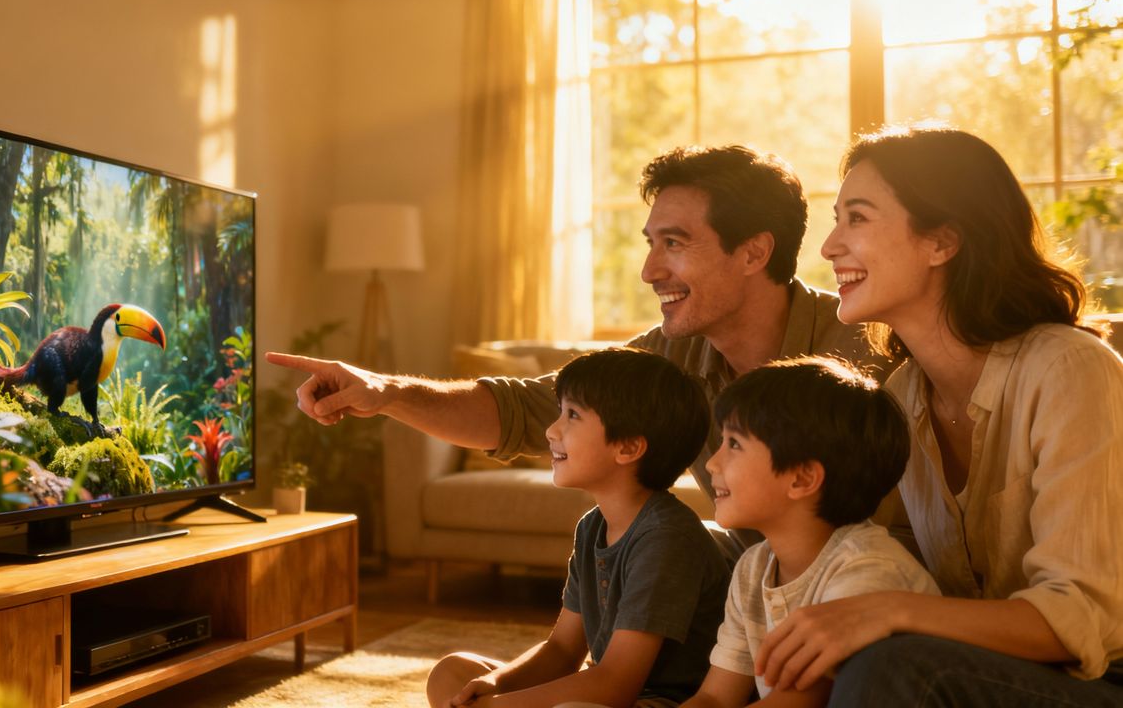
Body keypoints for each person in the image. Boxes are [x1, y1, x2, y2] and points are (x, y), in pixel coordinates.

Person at [267, 145, 889, 549]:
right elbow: (523, 410)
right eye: (651, 244)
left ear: (753, 252)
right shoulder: (668, 358)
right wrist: (385, 391)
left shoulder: (870, 348)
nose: (649, 272)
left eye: (674, 244)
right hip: (758, 585)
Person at [754, 124, 1123, 706]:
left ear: (942, 242)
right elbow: (857, 549)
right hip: (975, 672)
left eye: (857, 218)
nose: (828, 247)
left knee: (893, 667)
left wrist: (889, 611)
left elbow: (1080, 618)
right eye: (835, 219)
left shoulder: (1070, 368)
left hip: (1100, 679)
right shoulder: (903, 396)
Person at [426, 348, 730, 707]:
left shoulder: (667, 538)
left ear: (628, 447)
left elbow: (616, 684)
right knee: (452, 672)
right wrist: (493, 684)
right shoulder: (593, 526)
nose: (551, 430)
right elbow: (562, 650)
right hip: (605, 689)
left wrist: (496, 706)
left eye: (572, 415)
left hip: (662, 701)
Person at [679, 357, 940, 708]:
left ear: (802, 479)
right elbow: (714, 698)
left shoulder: (868, 569)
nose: (712, 462)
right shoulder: (753, 568)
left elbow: (799, 702)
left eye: (735, 444)